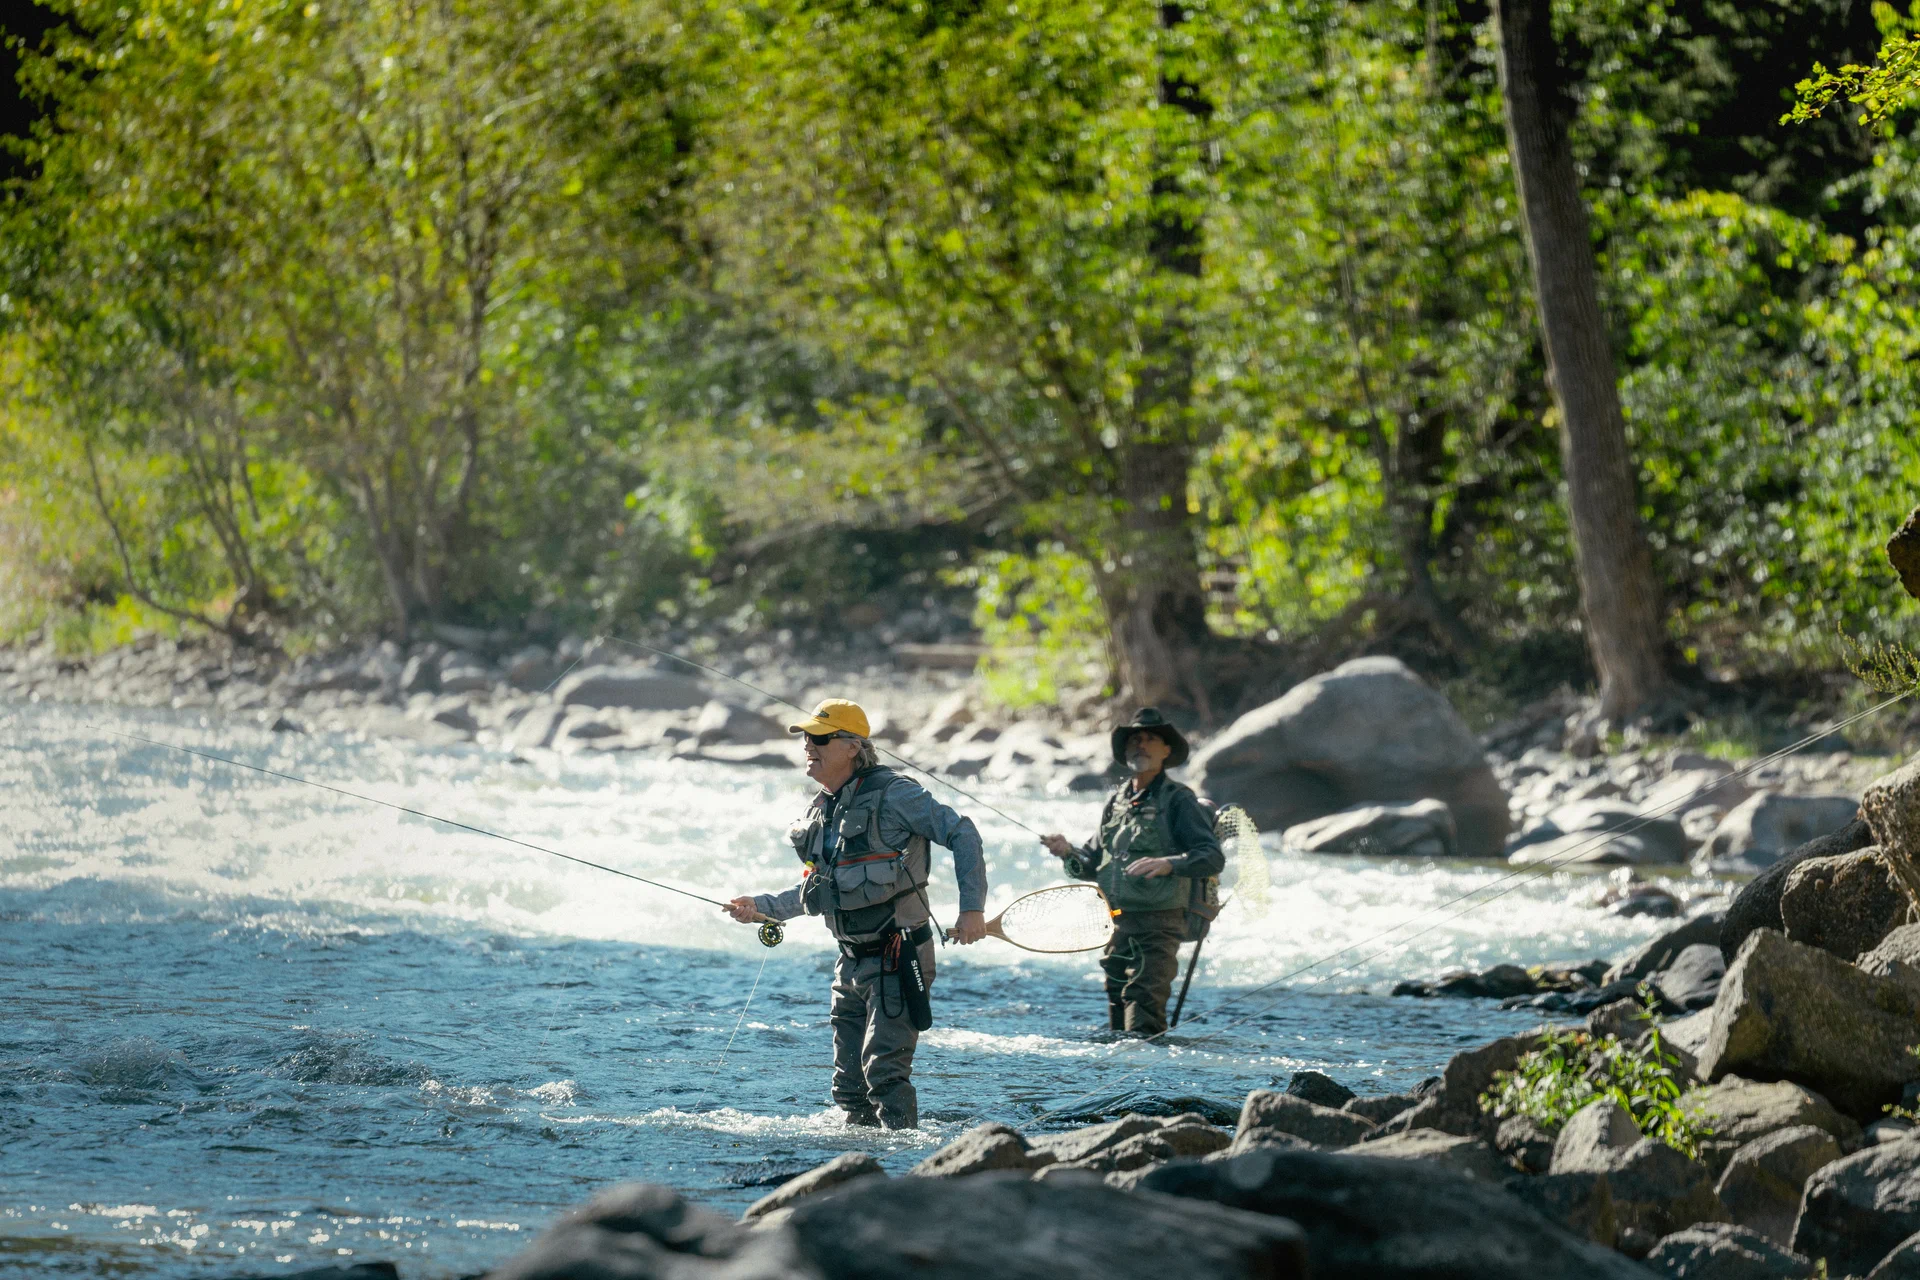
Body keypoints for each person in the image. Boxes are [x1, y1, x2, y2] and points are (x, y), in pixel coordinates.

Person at [726, 698, 987, 1129]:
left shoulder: (897, 794)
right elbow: (817, 891)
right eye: (807, 737)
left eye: (821, 738)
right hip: (848, 962)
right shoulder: (821, 809)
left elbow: (963, 833)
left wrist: (972, 908)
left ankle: (906, 1171)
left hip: (897, 956)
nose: (809, 745)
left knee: (883, 1076)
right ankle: (861, 1167)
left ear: (852, 746)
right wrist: (763, 909)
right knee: (848, 1090)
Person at [1041, 707, 1222, 1037]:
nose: (1142, 744)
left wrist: (1170, 863)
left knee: (1143, 1003)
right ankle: (1123, 1083)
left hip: (1161, 923)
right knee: (1116, 1005)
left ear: (1166, 751)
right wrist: (1066, 853)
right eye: (1135, 740)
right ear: (1125, 751)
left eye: (1151, 739)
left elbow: (1211, 857)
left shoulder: (1179, 799)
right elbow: (1090, 865)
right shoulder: (1117, 802)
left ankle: (1150, 1086)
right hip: (1118, 921)